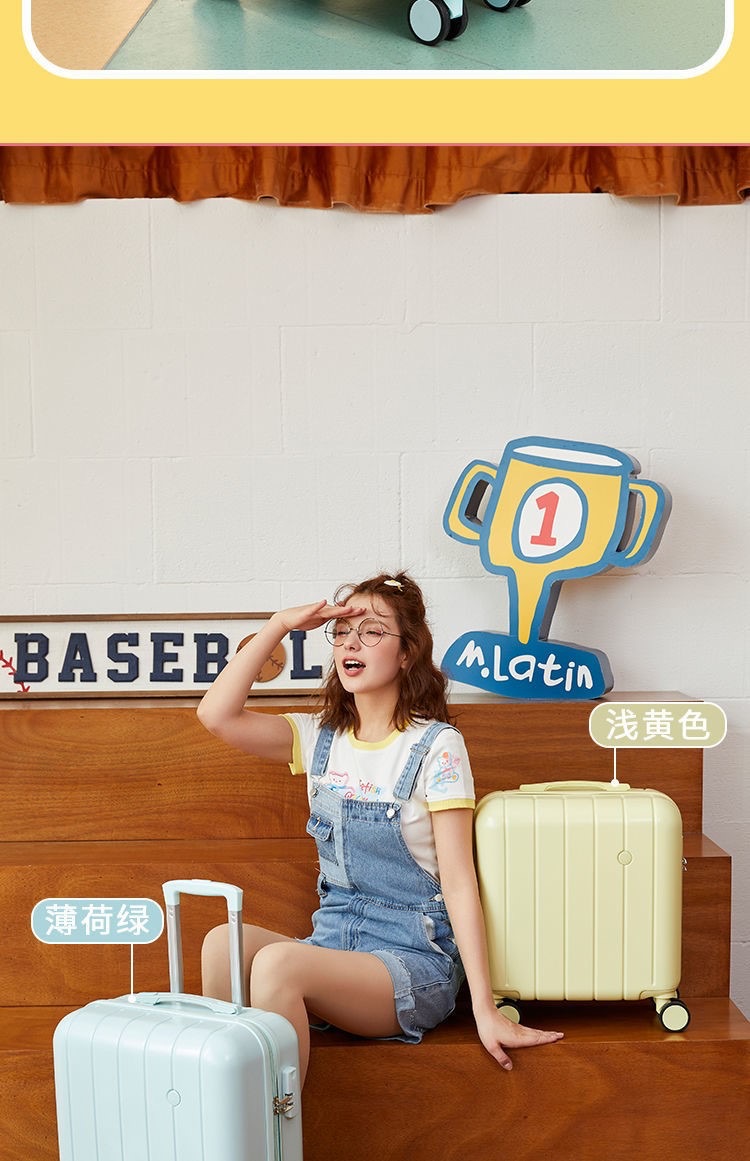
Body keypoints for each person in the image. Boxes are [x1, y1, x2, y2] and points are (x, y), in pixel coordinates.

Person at [198, 572, 563, 1083]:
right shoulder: (320, 738)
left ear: (407, 653)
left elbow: (459, 882)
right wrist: (279, 624)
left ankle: (278, 1123)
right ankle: (224, 1106)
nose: (351, 643)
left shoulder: (437, 746)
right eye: (343, 632)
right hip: (334, 944)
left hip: (412, 960)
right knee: (222, 942)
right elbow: (216, 715)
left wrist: (484, 1006)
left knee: (278, 963)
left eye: (372, 631)